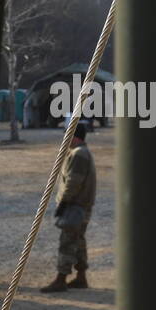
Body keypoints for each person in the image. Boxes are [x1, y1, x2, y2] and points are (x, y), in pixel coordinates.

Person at [41, 121, 97, 293]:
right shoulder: (79, 152)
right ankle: (81, 278)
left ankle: (61, 279)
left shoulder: (79, 154)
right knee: (78, 241)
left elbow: (73, 183)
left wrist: (63, 203)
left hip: (75, 205)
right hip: (80, 205)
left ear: (75, 136)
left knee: (67, 241)